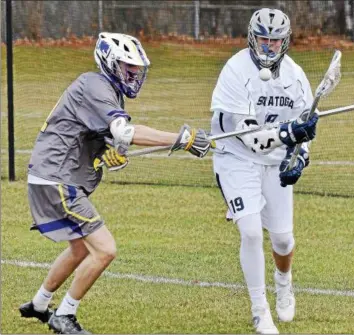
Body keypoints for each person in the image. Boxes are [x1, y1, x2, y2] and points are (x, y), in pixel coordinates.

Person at [19, 32, 212, 334]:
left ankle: (40, 304)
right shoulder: (95, 84)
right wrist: (181, 139)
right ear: (109, 63)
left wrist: (113, 155)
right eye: (128, 67)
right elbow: (125, 133)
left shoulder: (107, 91)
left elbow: (111, 141)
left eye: (137, 69)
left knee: (80, 250)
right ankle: (65, 315)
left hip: (52, 177)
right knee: (105, 249)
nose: (134, 75)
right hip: (57, 179)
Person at [210, 8, 319, 334]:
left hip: (275, 164)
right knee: (252, 232)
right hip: (237, 159)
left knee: (283, 240)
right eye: (262, 39)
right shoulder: (235, 70)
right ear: (251, 37)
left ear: (285, 42)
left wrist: (300, 157)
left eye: (275, 40)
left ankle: (283, 280)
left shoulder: (296, 77)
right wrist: (288, 135)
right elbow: (250, 138)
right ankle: (260, 311)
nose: (268, 46)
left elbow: (307, 129)